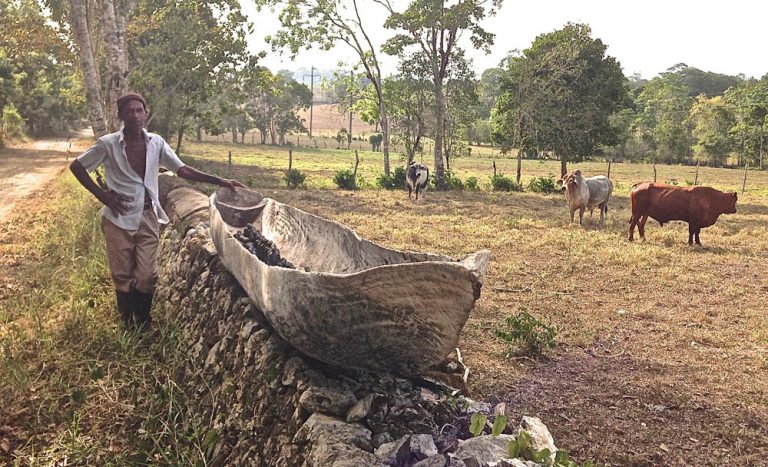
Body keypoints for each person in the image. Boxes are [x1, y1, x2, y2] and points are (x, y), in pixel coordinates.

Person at [70, 92, 243, 329]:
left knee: (147, 275)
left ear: (146, 113)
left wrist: (221, 181)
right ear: (120, 115)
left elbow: (182, 170)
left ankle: (142, 319)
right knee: (122, 275)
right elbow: (77, 166)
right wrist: (104, 196)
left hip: (148, 216)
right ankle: (128, 323)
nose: (135, 115)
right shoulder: (108, 144)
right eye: (129, 111)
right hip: (118, 219)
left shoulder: (156, 143)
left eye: (139, 110)